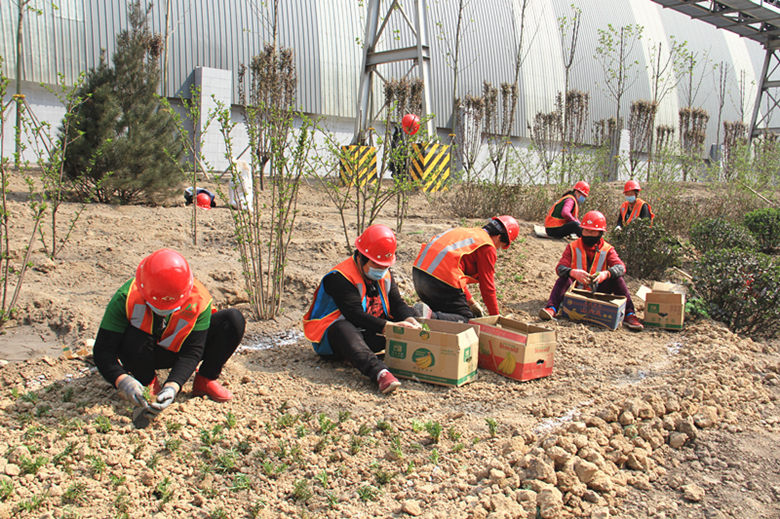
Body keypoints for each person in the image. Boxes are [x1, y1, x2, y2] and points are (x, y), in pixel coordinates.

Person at [93, 249, 245, 415]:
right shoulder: (126, 297)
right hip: (140, 353)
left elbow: (192, 351)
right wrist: (122, 380)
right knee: (132, 334)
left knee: (232, 320)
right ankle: (148, 383)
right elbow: (103, 351)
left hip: (178, 349)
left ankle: (205, 380)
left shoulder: (199, 299)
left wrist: (173, 385)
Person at [302, 224, 421, 394]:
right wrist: (388, 327)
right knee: (343, 328)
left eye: (384, 266)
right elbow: (354, 315)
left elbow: (397, 303)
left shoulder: (385, 274)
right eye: (376, 264)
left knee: (412, 316)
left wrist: (409, 320)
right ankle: (379, 372)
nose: (381, 270)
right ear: (361, 257)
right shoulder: (339, 278)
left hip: (369, 332)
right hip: (336, 340)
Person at [538, 210, 644, 331]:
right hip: (576, 290)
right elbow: (560, 268)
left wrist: (606, 274)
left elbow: (620, 267)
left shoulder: (608, 249)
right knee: (564, 277)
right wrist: (573, 272)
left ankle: (630, 314)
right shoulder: (572, 246)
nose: (588, 234)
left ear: (600, 233)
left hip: (599, 290)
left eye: (592, 231)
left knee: (617, 279)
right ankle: (552, 308)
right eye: (586, 230)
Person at [412, 215, 520, 322]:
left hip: (419, 275)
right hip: (440, 282)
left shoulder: (468, 233)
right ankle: (429, 316)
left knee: (446, 314)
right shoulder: (487, 247)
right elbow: (487, 287)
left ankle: (414, 314)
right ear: (499, 237)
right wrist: (495, 317)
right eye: (500, 246)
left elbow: (455, 270)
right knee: (467, 321)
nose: (497, 248)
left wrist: (471, 302)